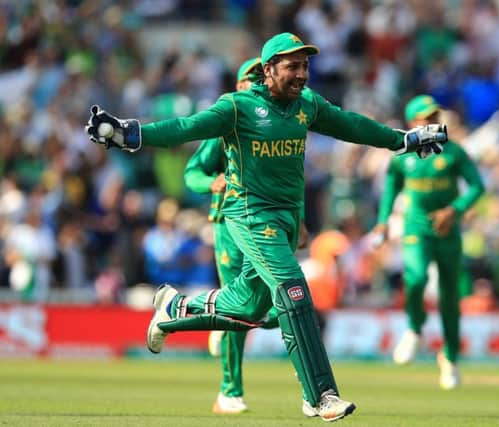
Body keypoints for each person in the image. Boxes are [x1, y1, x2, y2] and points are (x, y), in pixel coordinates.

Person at [85, 32, 448, 422]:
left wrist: (403, 140)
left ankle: (175, 308)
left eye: (305, 65)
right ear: (269, 69)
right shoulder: (238, 107)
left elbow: (353, 125)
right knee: (294, 291)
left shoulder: (306, 106)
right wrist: (130, 134)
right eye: (292, 66)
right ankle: (320, 395)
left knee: (250, 306)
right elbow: (184, 127)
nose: (302, 74)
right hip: (250, 216)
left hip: (286, 222)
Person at [183, 57, 279, 414]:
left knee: (274, 305)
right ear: (238, 86)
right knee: (242, 305)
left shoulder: (280, 122)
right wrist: (213, 182)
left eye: (260, 78)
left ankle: (217, 314)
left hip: (269, 224)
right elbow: (192, 172)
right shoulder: (229, 121)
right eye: (248, 79)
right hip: (228, 223)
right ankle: (230, 391)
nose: (255, 85)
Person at [372, 95, 484, 390]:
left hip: (448, 231)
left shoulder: (453, 151)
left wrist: (454, 210)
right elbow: (391, 188)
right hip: (416, 227)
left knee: (449, 297)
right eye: (425, 118)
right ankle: (414, 328)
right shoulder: (402, 155)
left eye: (434, 116)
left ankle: (450, 357)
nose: (432, 122)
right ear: (412, 123)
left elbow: (477, 186)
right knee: (416, 277)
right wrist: (383, 221)